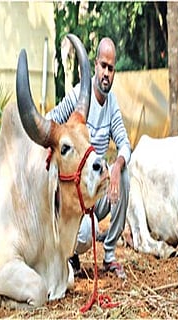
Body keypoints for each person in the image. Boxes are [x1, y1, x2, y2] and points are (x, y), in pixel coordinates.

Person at [47, 37, 130, 279]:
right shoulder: (77, 97)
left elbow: (125, 144)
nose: (106, 73)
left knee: (124, 172)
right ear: (95, 65)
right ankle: (69, 253)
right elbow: (52, 121)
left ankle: (110, 255)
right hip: (76, 193)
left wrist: (116, 168)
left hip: (97, 189)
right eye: (103, 66)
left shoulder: (112, 103)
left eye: (111, 68)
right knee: (84, 236)